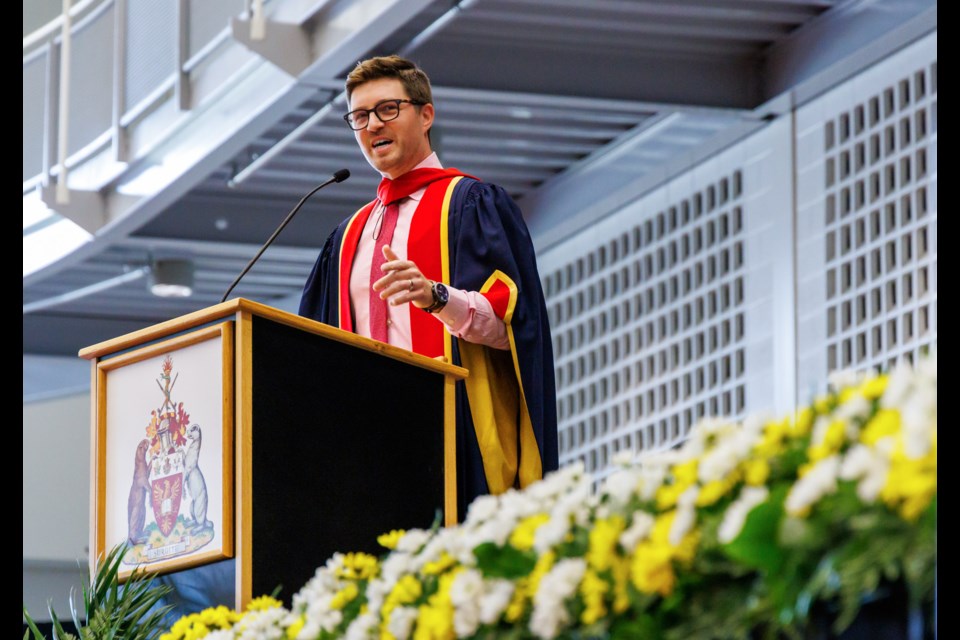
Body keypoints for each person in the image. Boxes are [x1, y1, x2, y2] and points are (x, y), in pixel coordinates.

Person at [299, 55, 557, 519]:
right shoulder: (344, 241)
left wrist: (436, 298)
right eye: (360, 116)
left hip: (454, 429)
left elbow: (513, 325)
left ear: (426, 114)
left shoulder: (471, 203)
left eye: (387, 109)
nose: (373, 124)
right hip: (365, 452)